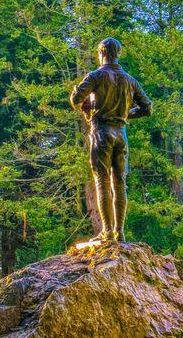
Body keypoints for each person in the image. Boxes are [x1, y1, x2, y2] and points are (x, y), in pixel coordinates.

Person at [70, 37, 152, 242]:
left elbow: (76, 99)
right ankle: (120, 232)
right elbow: (147, 108)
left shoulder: (96, 76)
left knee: (102, 180)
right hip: (120, 134)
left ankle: (107, 232)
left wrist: (82, 101)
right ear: (117, 54)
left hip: (101, 132)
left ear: (102, 54)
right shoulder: (130, 80)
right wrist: (125, 114)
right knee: (120, 182)